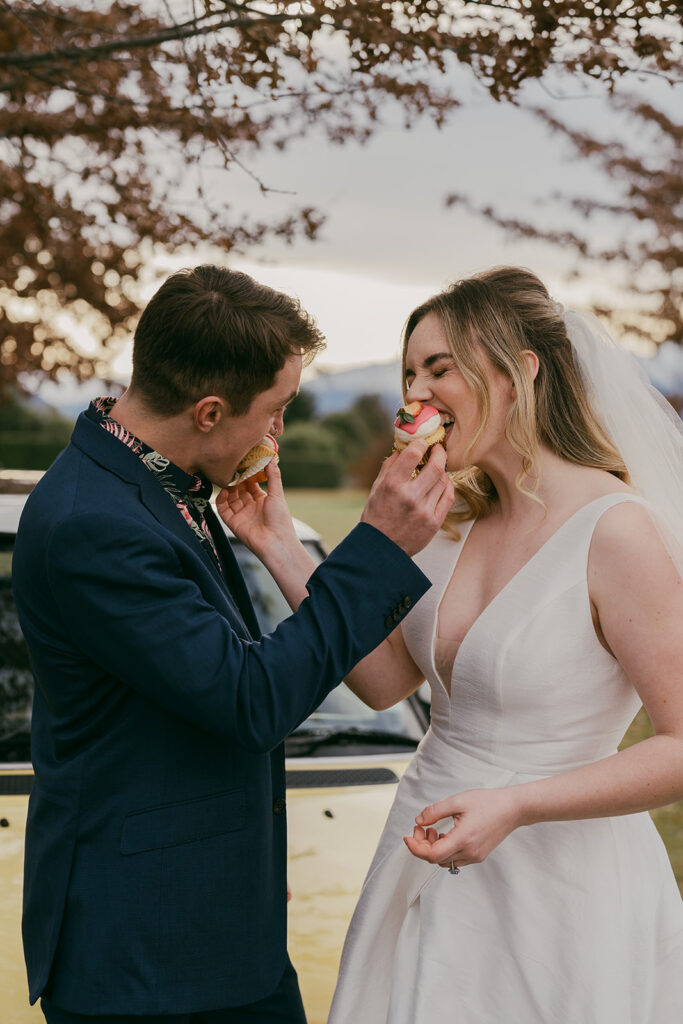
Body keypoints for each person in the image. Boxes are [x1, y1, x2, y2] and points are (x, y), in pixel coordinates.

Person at [11, 264, 455, 1024]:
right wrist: (376, 544)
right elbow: (250, 699)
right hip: (146, 958)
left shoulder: (154, 483)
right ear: (210, 411)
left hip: (213, 925)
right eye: (276, 410)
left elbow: (187, 694)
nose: (278, 430)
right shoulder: (95, 523)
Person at [320, 266, 683, 1022]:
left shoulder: (614, 530)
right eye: (407, 373)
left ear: (518, 371)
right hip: (418, 852)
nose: (413, 395)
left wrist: (515, 805)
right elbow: (383, 682)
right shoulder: (447, 521)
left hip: (560, 888)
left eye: (438, 369)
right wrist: (276, 544)